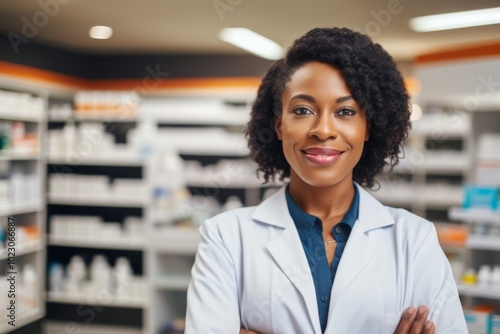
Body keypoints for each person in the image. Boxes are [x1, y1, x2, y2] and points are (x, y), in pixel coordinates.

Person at [185, 27, 468, 333]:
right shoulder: (226, 239)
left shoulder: (414, 241)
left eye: (345, 111)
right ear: (279, 125)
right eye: (303, 110)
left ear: (368, 128)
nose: (323, 130)